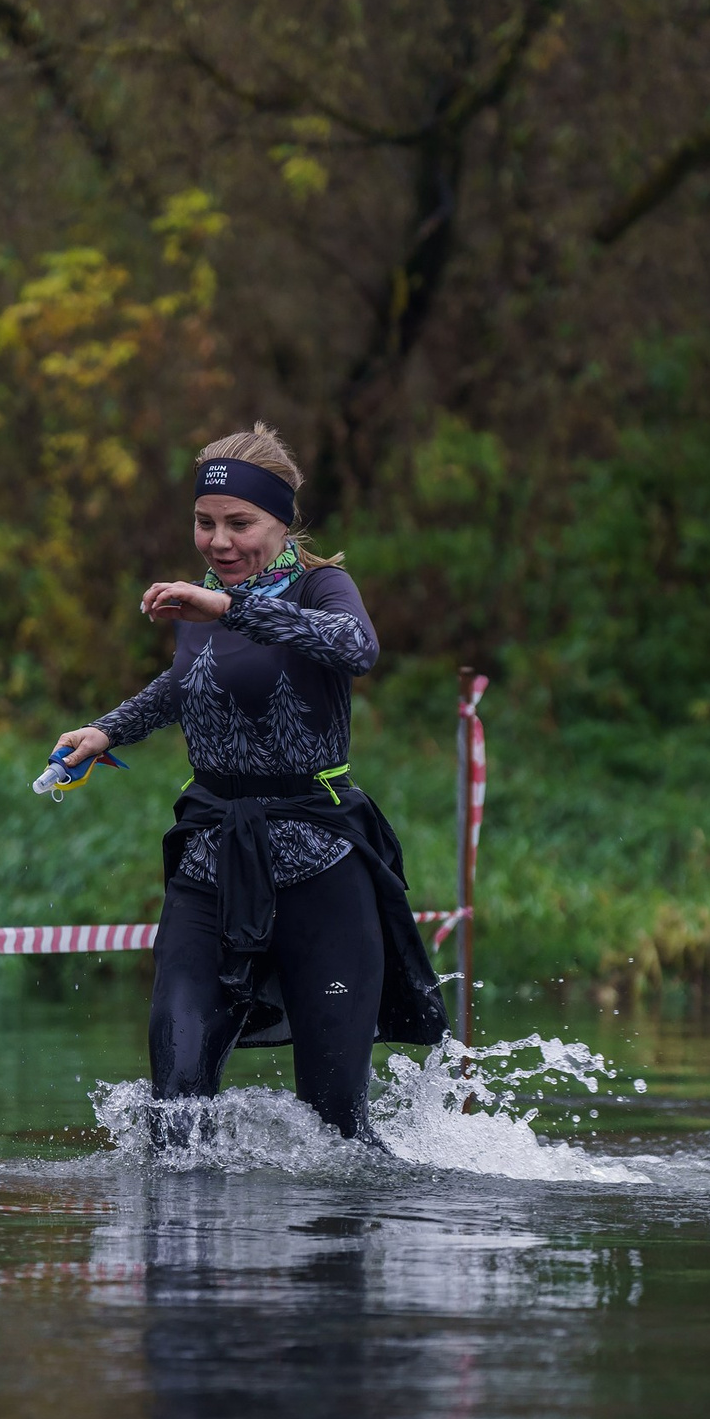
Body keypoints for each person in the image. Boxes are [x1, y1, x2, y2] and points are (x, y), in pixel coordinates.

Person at [54, 424, 445, 1144]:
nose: (219, 542)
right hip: (211, 860)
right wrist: (106, 730)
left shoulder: (320, 584)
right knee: (173, 1113)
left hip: (321, 865)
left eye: (240, 524)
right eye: (205, 523)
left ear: (283, 520)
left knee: (336, 1130)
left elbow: (357, 647)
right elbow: (188, 682)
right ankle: (182, 1250)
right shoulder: (201, 594)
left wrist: (232, 609)